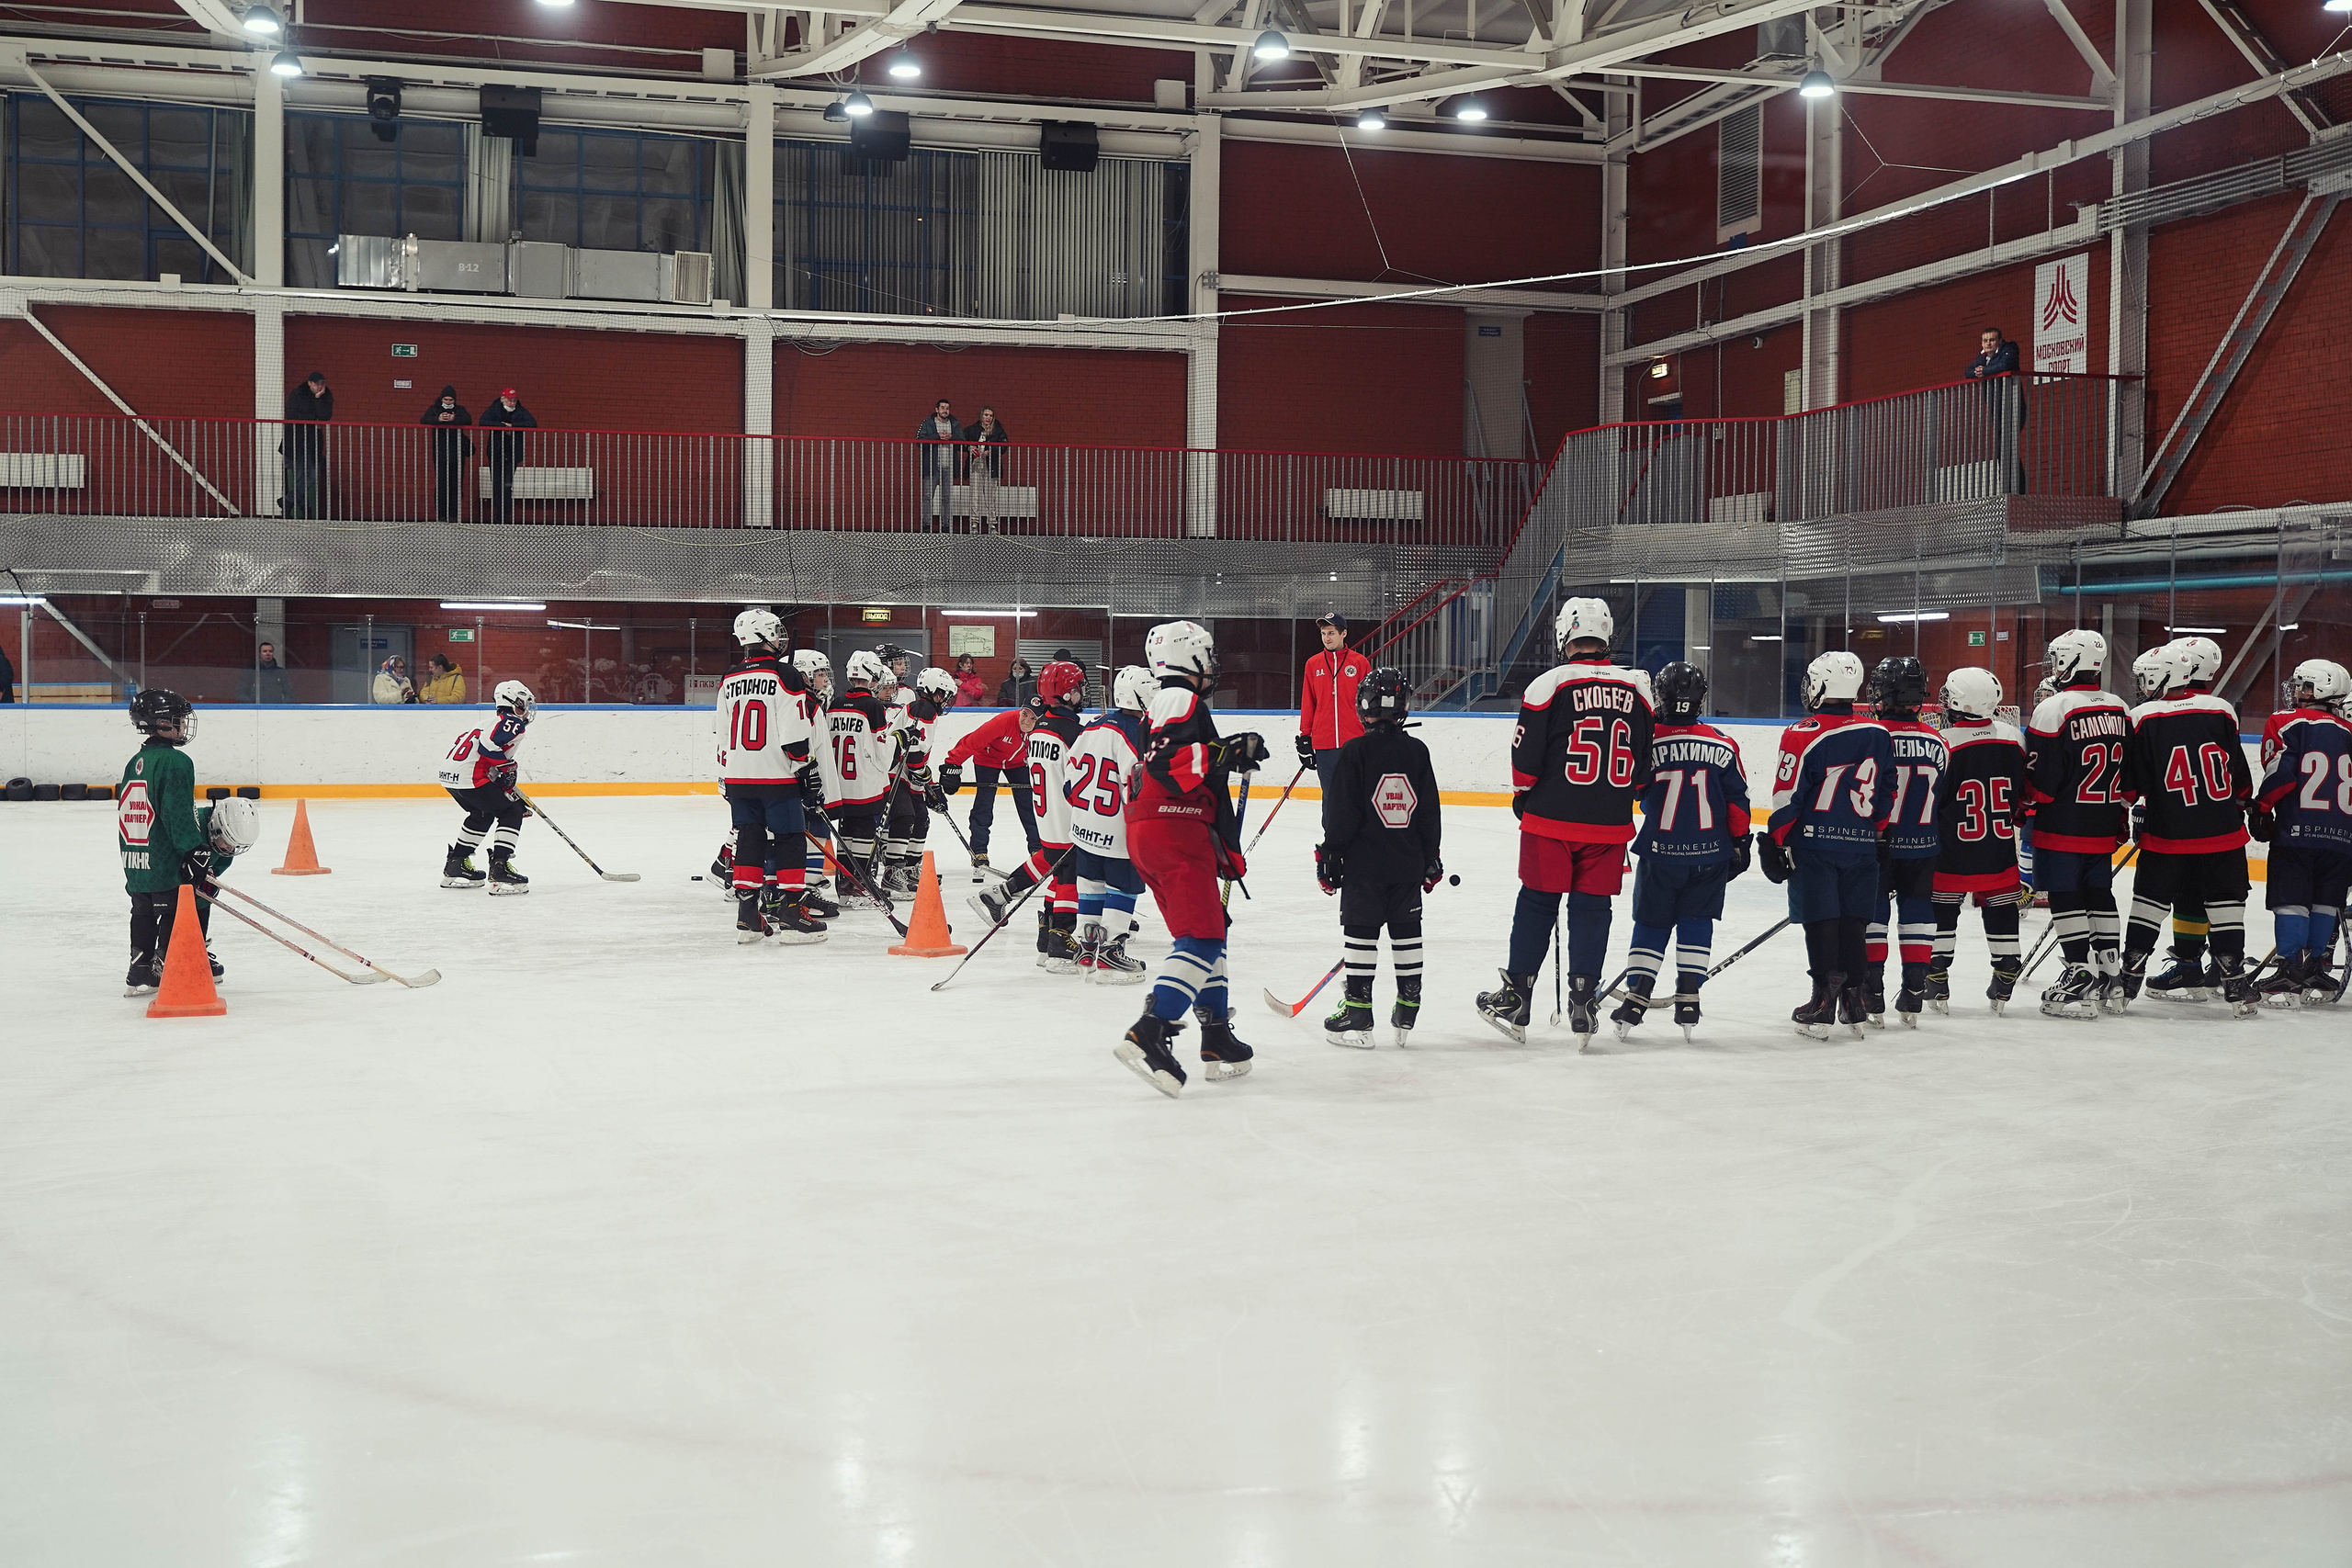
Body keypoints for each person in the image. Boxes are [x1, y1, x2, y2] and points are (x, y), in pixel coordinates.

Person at [1475, 598, 1656, 1049]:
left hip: (1551, 820)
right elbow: (1643, 766)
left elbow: (1525, 758)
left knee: (1538, 903)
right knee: (1592, 909)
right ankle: (1584, 1002)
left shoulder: (1548, 684)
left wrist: (1523, 795)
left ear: (1564, 634)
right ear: (1606, 633)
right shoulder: (1638, 687)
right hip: (1609, 824)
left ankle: (1516, 997)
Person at [1114, 620, 1268, 1097]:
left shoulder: (1164, 703)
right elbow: (1167, 763)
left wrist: (1225, 849)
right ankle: (1151, 1030)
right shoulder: (1179, 697)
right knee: (1202, 937)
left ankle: (1216, 1033)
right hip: (1173, 830)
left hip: (1162, 831)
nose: (1213, 663)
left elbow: (1182, 764)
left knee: (1210, 928)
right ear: (1190, 657)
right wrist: (1226, 751)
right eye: (1208, 654)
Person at [1610, 660, 1747, 1043]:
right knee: (1697, 920)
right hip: (1710, 853)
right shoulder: (1723, 742)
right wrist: (1739, 842)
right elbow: (1737, 801)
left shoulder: (1647, 740)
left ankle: (1636, 999)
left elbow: (1634, 789)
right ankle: (1689, 998)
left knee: (1651, 923)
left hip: (1660, 853)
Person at [1759, 650, 1892, 1039]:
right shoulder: (1878, 732)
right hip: (1861, 845)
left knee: (1820, 920)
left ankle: (1821, 1002)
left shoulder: (1803, 732)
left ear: (1820, 685)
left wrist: (1775, 841)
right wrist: (1877, 833)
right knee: (1854, 921)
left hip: (1815, 845)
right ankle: (1853, 1000)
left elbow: (1788, 795)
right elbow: (1887, 790)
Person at [2118, 641, 2256, 1014]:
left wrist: (2129, 807)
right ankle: (2235, 983)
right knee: (2226, 906)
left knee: (2148, 904)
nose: (2142, 686)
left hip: (2168, 834)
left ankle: (2128, 979)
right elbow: (2238, 775)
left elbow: (2132, 785)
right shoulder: (2222, 709)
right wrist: (2245, 804)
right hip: (2224, 834)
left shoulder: (2141, 717)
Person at [1316, 666, 1442, 1048]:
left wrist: (1330, 854)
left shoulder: (1355, 751)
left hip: (1363, 866)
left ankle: (1358, 1011)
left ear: (1363, 707)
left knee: (1361, 933)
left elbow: (1341, 812)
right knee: (1407, 932)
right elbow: (1429, 812)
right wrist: (1431, 858)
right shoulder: (1417, 751)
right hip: (1407, 864)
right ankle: (1408, 1008)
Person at [118, 690, 259, 994]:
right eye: (178, 719)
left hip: (137, 853)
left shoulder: (136, 761)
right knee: (179, 904)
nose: (183, 725)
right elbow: (176, 810)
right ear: (162, 723)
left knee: (143, 907)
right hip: (164, 854)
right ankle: (169, 965)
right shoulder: (175, 761)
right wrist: (193, 848)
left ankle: (140, 967)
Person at [2022, 628, 2131, 1019]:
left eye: (2056, 659)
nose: (2053, 666)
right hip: (2103, 823)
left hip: (2062, 824)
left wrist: (2024, 803)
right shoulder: (2119, 707)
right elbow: (2130, 775)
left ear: (2070, 661)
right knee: (2100, 893)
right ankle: (2112, 975)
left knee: (2066, 896)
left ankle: (2079, 971)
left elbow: (2042, 782)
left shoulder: (2055, 708)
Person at [967, 660, 1087, 970]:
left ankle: (1038, 933)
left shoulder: (1038, 729)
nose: (1081, 692)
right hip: (1066, 814)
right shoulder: (1074, 732)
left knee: (1052, 861)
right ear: (1067, 693)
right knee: (1068, 873)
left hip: (1046, 814)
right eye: (1077, 688)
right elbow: (1079, 780)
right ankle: (1059, 942)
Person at [716, 609, 825, 943]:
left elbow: (722, 733)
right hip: (776, 776)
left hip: (739, 776)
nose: (780, 637)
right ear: (763, 636)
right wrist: (805, 768)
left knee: (749, 836)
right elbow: (794, 734)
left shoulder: (729, 677)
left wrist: (726, 775)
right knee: (790, 837)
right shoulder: (785, 674)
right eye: (775, 631)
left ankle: (747, 912)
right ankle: (791, 911)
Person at [1928, 667, 2030, 1013]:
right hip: (1998, 846)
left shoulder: (1942, 741)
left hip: (1951, 849)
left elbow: (1932, 800)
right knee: (2000, 907)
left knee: (1942, 910)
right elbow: (2022, 792)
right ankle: (2006, 967)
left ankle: (1935, 977)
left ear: (1959, 702)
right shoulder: (2014, 737)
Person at [2254, 659, 2352, 1003]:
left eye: (2304, 685)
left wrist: (2262, 808)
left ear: (2320, 690)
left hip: (2298, 830)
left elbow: (2281, 772)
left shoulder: (2285, 721)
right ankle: (2314, 969)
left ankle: (2289, 970)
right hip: (2342, 836)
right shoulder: (2350, 731)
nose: (2296, 691)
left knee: (2291, 901)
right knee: (2326, 901)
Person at [1862, 655, 1947, 1027]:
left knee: (1873, 912)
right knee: (1917, 909)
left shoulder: (1871, 736)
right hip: (1924, 842)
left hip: (1877, 843)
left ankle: (1872, 992)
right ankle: (1914, 990)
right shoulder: (1939, 740)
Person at [1063, 665, 1154, 984]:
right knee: (1123, 884)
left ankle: (1087, 948)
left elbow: (1069, 775)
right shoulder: (1138, 733)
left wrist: (1085, 812)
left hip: (1085, 826)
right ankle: (1111, 952)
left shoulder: (1092, 726)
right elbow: (1137, 785)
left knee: (1091, 883)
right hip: (1118, 829)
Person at [435, 680, 538, 893]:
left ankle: (456, 864)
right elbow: (488, 747)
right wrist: (506, 767)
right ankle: (500, 868)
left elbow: (483, 754)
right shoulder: (512, 722)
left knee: (482, 813)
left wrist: (504, 778)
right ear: (514, 703)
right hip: (470, 777)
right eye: (525, 704)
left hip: (451, 776)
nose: (527, 710)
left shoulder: (488, 721)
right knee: (511, 811)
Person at [816, 650, 898, 897]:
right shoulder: (872, 706)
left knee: (846, 831)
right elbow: (881, 751)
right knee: (863, 831)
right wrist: (899, 740)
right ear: (872, 676)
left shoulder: (836, 703)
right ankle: (859, 884)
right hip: (863, 783)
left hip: (840, 784)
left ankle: (844, 883)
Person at [878, 666, 957, 897]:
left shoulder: (924, 708)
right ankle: (893, 872)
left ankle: (910, 868)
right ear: (935, 692)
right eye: (944, 695)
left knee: (921, 818)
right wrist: (924, 777)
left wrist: (928, 782)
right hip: (893, 773)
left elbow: (917, 755)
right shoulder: (923, 709)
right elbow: (913, 753)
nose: (946, 701)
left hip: (905, 775)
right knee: (905, 817)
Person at [941, 698, 1042, 871]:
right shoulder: (1003, 721)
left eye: (1033, 718)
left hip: (1018, 763)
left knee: (1030, 804)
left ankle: (1038, 849)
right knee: (984, 803)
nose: (1026, 721)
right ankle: (979, 851)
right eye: (1025, 714)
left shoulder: (1044, 729)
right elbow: (973, 741)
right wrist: (952, 765)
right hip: (987, 760)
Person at [1295, 612, 1367, 831]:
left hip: (1355, 741)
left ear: (1343, 634)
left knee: (1357, 793)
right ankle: (1332, 839)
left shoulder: (1360, 663)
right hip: (1324, 743)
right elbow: (1308, 701)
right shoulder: (1313, 664)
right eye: (1324, 634)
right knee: (1330, 795)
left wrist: (1372, 732)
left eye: (1331, 633)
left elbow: (1367, 703)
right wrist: (1305, 736)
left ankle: (1359, 838)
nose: (1326, 638)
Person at [1966, 327, 2026, 491]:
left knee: (2009, 446)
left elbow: (2005, 364)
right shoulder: (1983, 357)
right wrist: (1980, 371)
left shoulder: (2009, 349)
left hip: (2012, 406)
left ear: (1999, 341)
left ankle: (2017, 489)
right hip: (1997, 408)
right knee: (2002, 448)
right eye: (1985, 341)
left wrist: (1984, 371)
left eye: (1992, 340)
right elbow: (1968, 371)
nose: (1988, 344)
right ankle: (2008, 487)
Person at [478, 388, 538, 525]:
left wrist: (513, 426)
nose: (512, 403)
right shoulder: (495, 409)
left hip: (512, 453)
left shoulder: (520, 410)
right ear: (503, 399)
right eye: (509, 400)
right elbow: (483, 421)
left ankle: (505, 515)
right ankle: (498, 515)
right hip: (496, 452)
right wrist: (502, 427)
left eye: (514, 400)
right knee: (497, 485)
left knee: (507, 486)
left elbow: (532, 423)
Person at [283, 370, 332, 519]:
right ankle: (304, 509)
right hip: (296, 441)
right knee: (301, 476)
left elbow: (325, 416)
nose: (319, 386)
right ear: (310, 383)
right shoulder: (298, 394)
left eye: (321, 384)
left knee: (311, 475)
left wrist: (318, 398)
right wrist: (312, 420)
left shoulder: (325, 395)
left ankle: (288, 501)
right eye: (316, 384)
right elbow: (292, 414)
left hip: (313, 442)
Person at [420, 386, 473, 522]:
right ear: (441, 399)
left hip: (457, 453)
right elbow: (424, 419)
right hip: (440, 453)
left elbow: (468, 420)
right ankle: (441, 514)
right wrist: (438, 419)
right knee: (442, 484)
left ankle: (453, 514)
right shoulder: (435, 409)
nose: (448, 402)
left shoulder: (460, 410)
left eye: (451, 400)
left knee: (456, 484)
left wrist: (454, 419)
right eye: (446, 399)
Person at [962, 405, 1012, 534]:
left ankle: (992, 523)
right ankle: (974, 522)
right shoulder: (972, 429)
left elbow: (1004, 446)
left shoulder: (998, 430)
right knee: (975, 496)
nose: (988, 418)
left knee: (991, 497)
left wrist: (990, 451)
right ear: (981, 416)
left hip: (991, 467)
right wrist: (969, 447)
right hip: (975, 466)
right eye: (986, 415)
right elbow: (961, 442)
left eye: (990, 415)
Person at [915, 398, 958, 532]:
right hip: (932, 465)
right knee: (928, 495)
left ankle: (945, 525)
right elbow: (919, 441)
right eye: (943, 408)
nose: (945, 410)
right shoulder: (928, 423)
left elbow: (962, 440)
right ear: (937, 409)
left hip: (948, 465)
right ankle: (926, 524)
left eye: (947, 408)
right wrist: (937, 436)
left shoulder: (954, 423)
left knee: (946, 497)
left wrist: (952, 437)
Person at [238, 640, 296, 704]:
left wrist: (282, 706)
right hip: (256, 708)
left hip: (276, 708)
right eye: (264, 651)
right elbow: (240, 693)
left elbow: (290, 694)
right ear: (259, 654)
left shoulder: (281, 672)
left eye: (270, 651)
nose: (268, 654)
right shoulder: (250, 672)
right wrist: (252, 706)